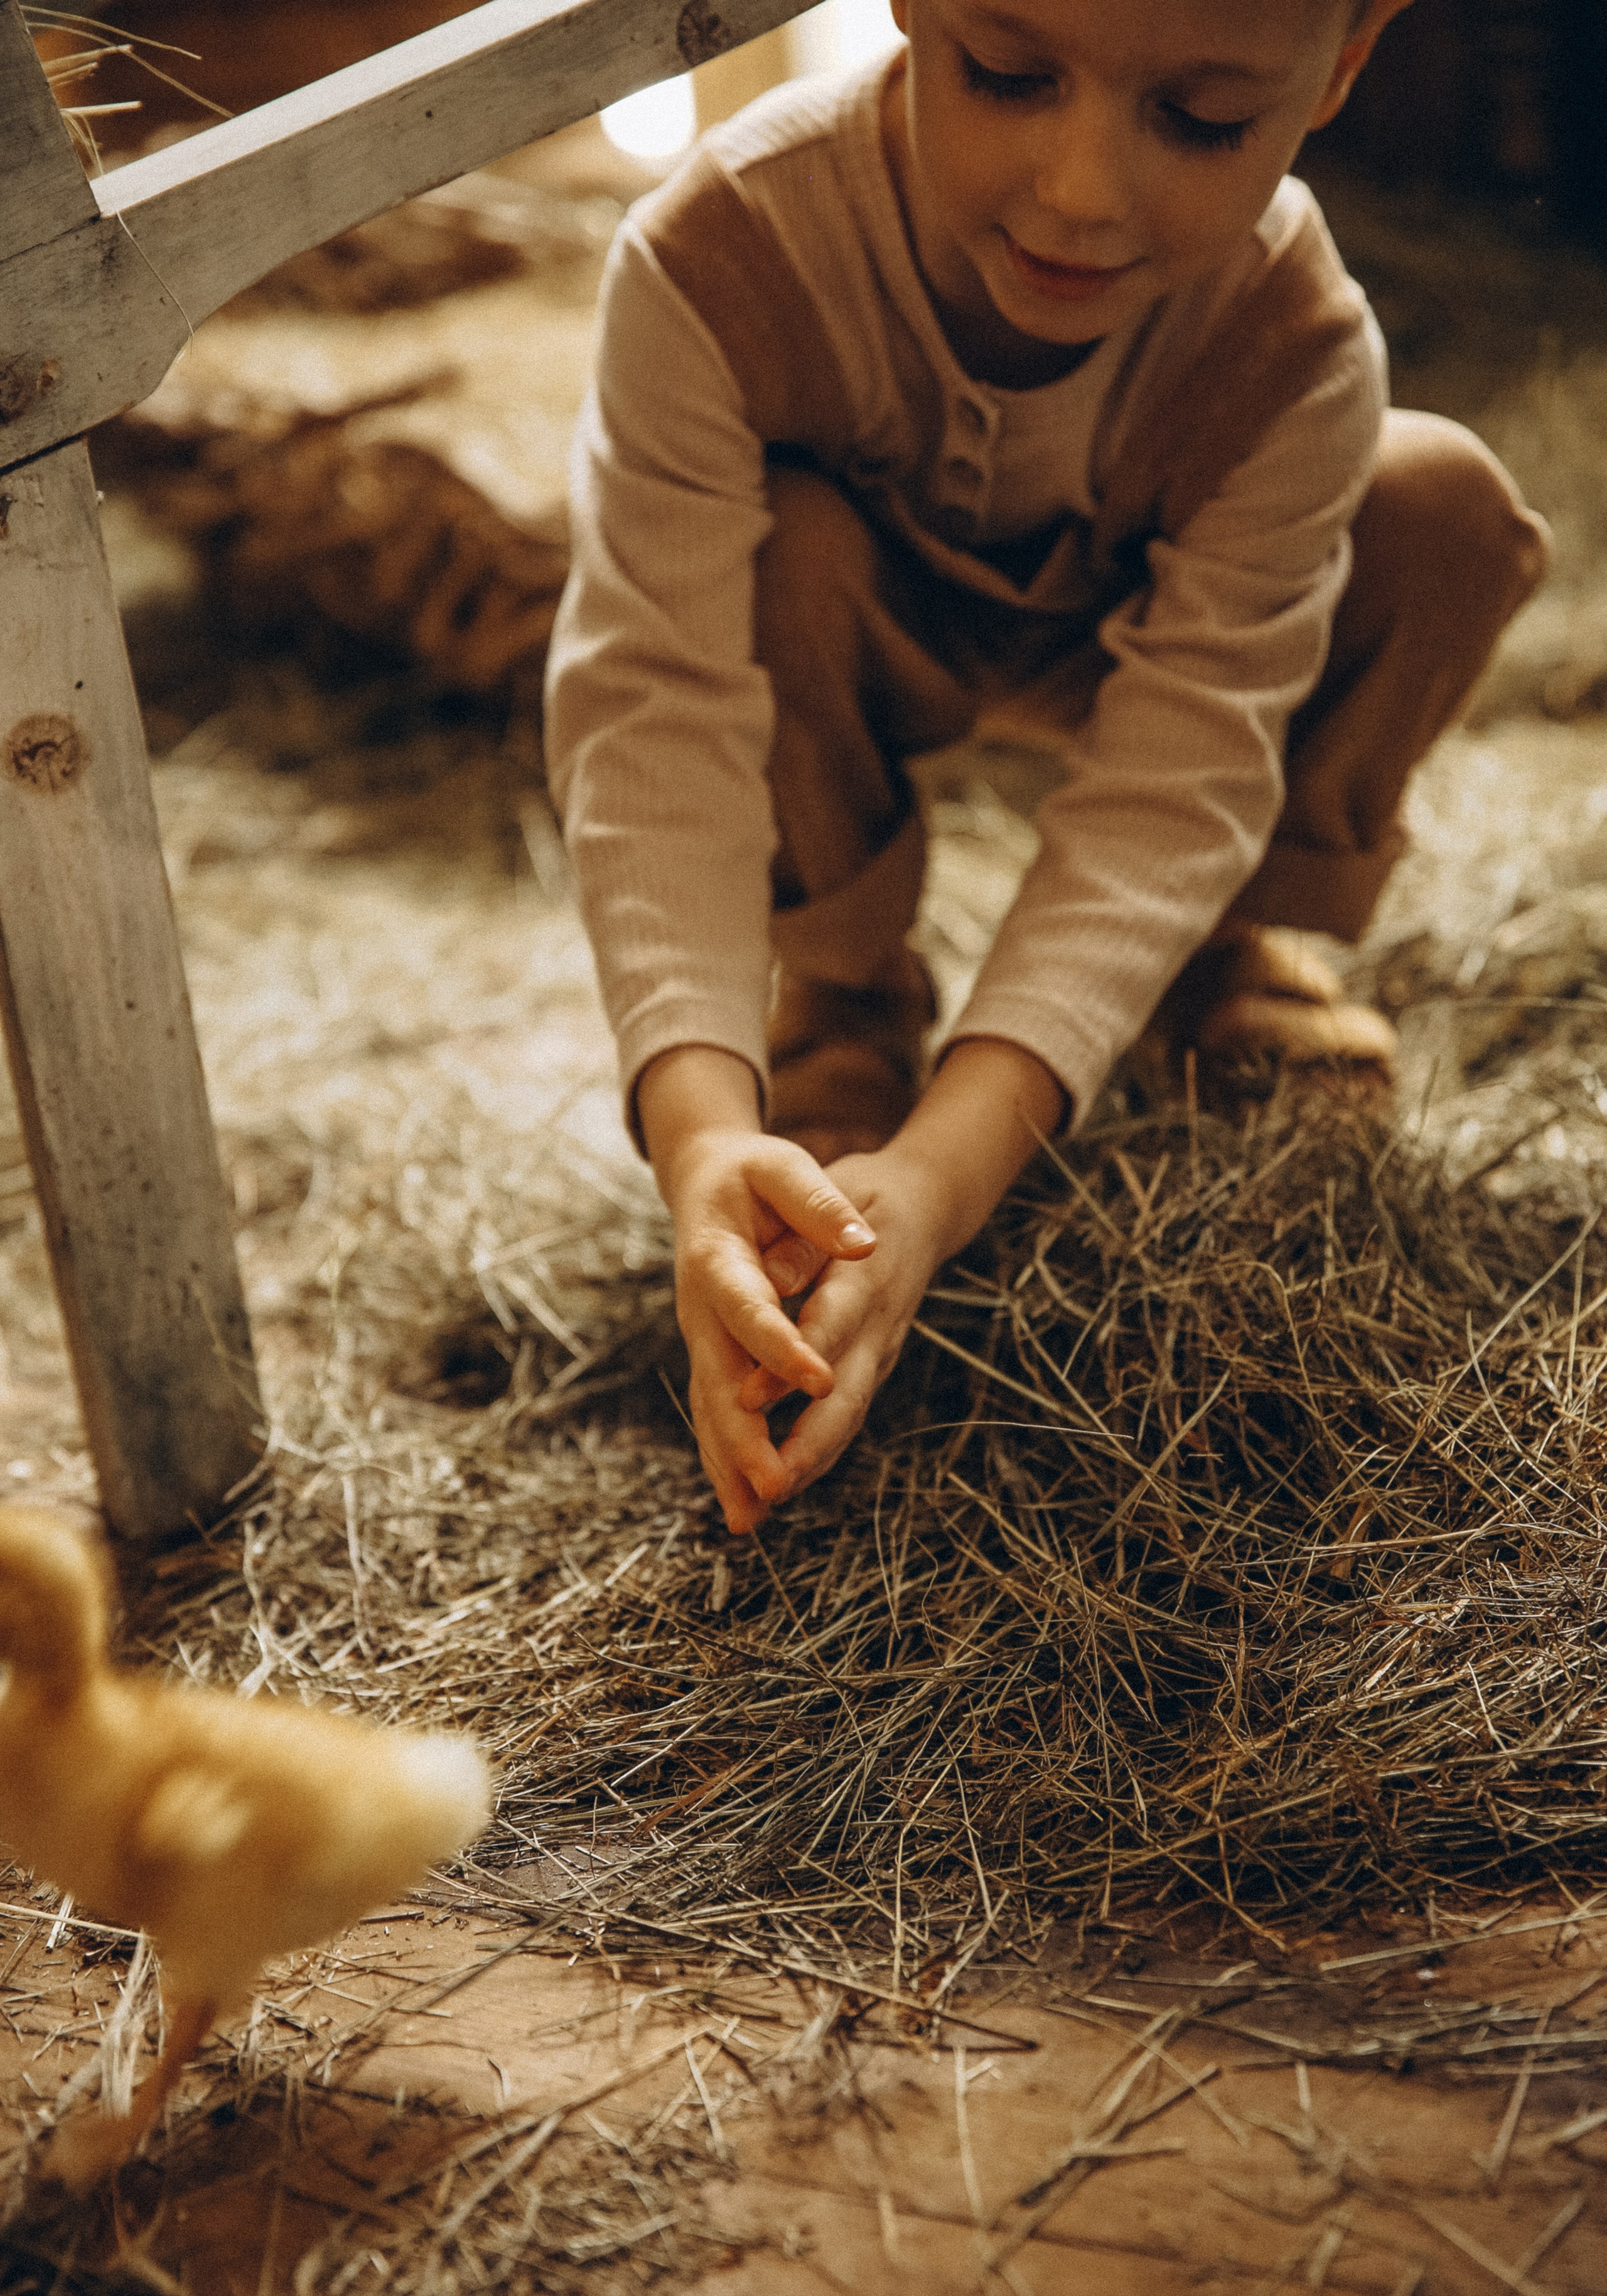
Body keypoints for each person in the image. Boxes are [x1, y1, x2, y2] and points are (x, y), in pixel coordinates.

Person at [546, 0, 1550, 1536]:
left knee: (1437, 508)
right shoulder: (721, 255)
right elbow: (655, 709)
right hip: (851, 608)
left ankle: (1222, 956)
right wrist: (699, 1131)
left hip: (1138, 630)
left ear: (1340, 67)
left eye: (1201, 120)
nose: (1080, 192)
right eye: (1005, 75)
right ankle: (838, 990)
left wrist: (943, 1176)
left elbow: (1181, 767)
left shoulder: (1291, 347)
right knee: (772, 552)